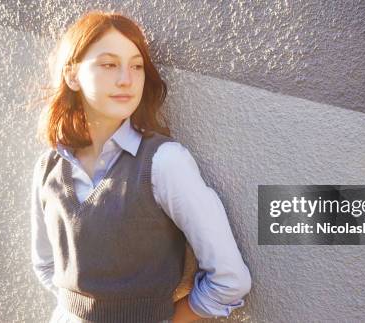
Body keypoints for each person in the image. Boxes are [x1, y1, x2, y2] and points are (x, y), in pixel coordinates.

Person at [30, 11, 252, 323]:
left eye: (136, 66)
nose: (126, 79)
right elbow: (46, 265)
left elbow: (230, 281)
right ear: (72, 75)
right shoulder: (48, 167)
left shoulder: (164, 162)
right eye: (109, 64)